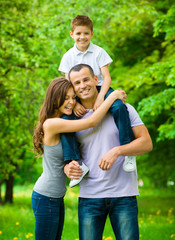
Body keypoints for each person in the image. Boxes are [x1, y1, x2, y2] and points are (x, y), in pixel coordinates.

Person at [64, 64, 153, 240]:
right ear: (72, 88)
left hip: (124, 195)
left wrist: (118, 151)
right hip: (90, 196)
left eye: (86, 79)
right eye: (77, 83)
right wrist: (68, 168)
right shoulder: (72, 118)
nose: (83, 85)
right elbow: (64, 155)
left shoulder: (124, 109)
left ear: (96, 79)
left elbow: (146, 143)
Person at [31, 77, 126, 240]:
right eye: (65, 98)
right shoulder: (52, 124)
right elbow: (92, 122)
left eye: (72, 97)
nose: (70, 102)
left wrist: (77, 105)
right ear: (55, 99)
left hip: (56, 197)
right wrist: (111, 97)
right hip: (46, 197)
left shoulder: (62, 121)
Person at [59, 15, 136, 188]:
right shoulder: (68, 56)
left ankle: (128, 149)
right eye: (78, 33)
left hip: (101, 88)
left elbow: (107, 77)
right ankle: (77, 163)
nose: (82, 37)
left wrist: (102, 97)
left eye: (86, 33)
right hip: (76, 93)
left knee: (118, 107)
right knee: (65, 121)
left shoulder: (99, 52)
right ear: (71, 34)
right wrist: (75, 102)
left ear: (92, 34)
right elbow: (67, 83)